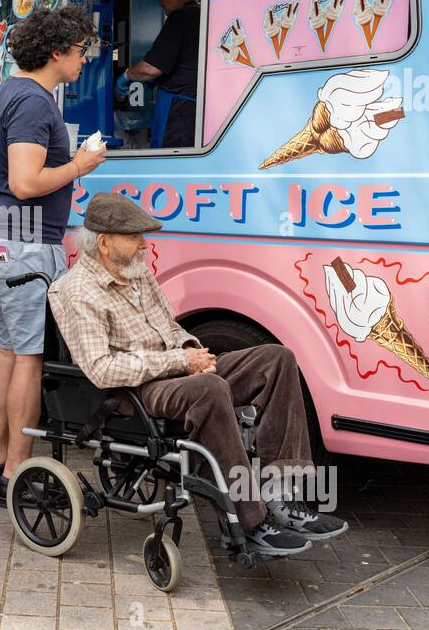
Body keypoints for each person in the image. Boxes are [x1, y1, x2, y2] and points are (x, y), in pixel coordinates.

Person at [49, 192, 349, 556]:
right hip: (134, 390)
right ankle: (249, 521)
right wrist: (179, 363)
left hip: (175, 369)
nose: (145, 244)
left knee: (276, 358)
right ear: (104, 241)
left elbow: (170, 328)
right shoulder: (77, 290)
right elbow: (101, 369)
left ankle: (279, 497)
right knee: (208, 389)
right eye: (134, 237)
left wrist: (189, 348)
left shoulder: (136, 271)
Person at [0, 3, 105, 506]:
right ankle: (16, 473)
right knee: (27, 356)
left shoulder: (8, 92)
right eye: (79, 52)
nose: (83, 62)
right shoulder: (34, 102)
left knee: (7, 351)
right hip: (27, 242)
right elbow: (25, 182)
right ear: (56, 51)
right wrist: (79, 164)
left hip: (0, 237)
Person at [118, 0, 202, 149]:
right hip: (194, 113)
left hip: (178, 113)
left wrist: (126, 76)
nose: (160, 3)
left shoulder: (180, 17)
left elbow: (151, 68)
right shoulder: (203, 15)